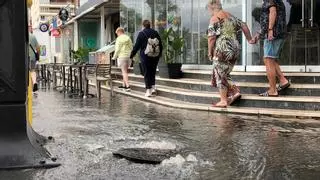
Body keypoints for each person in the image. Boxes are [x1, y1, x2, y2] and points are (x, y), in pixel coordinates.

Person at [207, 0, 255, 108]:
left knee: (220, 73)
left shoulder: (214, 18)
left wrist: (209, 52)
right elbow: (244, 25)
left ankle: (223, 100)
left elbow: (211, 38)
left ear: (213, 7)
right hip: (235, 48)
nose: (209, 11)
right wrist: (250, 39)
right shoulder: (230, 16)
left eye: (209, 8)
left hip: (223, 48)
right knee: (225, 72)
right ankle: (235, 92)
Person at [251, 0, 290, 97]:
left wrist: (270, 30)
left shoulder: (270, 1)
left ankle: (272, 90)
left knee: (268, 60)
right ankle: (282, 80)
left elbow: (273, 12)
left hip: (273, 34)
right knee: (271, 59)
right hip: (277, 33)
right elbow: (267, 19)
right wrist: (258, 35)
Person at [130, 20, 163, 97]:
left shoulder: (141, 34)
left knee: (146, 72)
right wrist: (159, 54)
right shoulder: (155, 32)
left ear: (143, 25)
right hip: (155, 55)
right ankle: (153, 87)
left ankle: (148, 90)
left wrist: (132, 55)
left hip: (145, 56)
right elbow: (160, 44)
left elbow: (137, 46)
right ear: (150, 25)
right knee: (153, 70)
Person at [112, 27, 133, 92]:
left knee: (124, 72)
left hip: (122, 56)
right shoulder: (128, 38)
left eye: (117, 34)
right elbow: (131, 47)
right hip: (128, 56)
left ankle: (128, 86)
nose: (117, 35)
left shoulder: (119, 39)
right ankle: (123, 85)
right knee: (125, 71)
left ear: (119, 32)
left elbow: (117, 49)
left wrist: (114, 57)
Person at [29, 26, 40, 92]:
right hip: (33, 57)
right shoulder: (33, 36)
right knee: (32, 70)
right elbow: (38, 47)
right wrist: (38, 56)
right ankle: (34, 82)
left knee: (26, 71)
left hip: (25, 57)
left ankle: (28, 86)